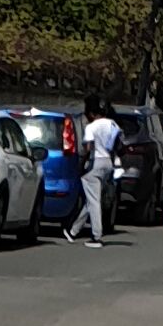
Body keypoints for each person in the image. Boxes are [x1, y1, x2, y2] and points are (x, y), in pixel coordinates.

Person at [66, 100, 120, 246]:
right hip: (108, 163)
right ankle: (73, 231)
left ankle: (97, 236)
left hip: (95, 162)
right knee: (92, 198)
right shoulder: (113, 124)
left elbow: (88, 148)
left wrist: (81, 166)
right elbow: (117, 144)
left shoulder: (91, 127)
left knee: (94, 200)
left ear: (91, 113)